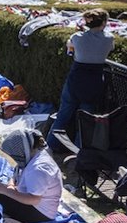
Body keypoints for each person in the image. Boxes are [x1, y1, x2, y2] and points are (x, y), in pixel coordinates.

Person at [47, 9, 114, 151]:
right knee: (85, 120)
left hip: (76, 79)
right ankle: (79, 152)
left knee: (63, 115)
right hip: (94, 81)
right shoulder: (109, 38)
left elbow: (70, 45)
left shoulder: (77, 37)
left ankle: (49, 146)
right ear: (103, 23)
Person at [0, 129, 63, 223]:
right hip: (30, 201)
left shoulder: (39, 168)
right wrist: (11, 185)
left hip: (41, 213)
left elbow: (34, 199)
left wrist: (6, 191)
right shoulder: (33, 156)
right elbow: (16, 175)